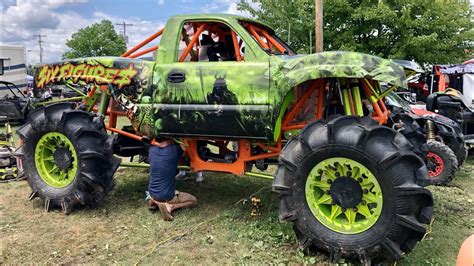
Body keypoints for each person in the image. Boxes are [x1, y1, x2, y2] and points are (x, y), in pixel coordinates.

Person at [147, 139, 197, 221]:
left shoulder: (152, 150)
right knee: (193, 200)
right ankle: (170, 206)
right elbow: (185, 149)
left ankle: (154, 202)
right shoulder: (174, 150)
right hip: (166, 195)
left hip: (151, 192)